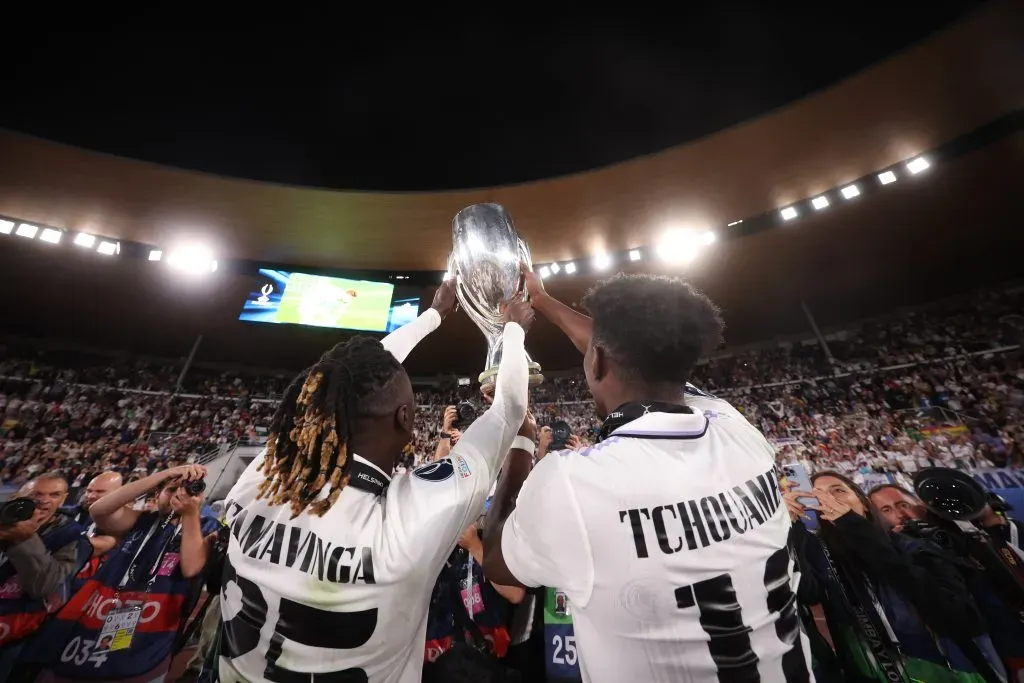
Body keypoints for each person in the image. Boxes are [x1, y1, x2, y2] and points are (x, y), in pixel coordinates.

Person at [484, 270, 812, 682]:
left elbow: (498, 561)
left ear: (598, 359)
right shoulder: (737, 429)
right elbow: (629, 351)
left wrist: (521, 436)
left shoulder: (575, 484)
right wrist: (543, 300)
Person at [218, 280, 533, 683]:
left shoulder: (267, 475)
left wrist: (432, 317)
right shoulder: (413, 516)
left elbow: (348, 378)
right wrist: (514, 329)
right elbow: (509, 410)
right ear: (405, 421)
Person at [35, 464, 219, 682]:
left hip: (148, 642)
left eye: (186, 491)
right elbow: (98, 511)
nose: (176, 496)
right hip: (91, 628)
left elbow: (191, 567)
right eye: (170, 489)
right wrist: (166, 474)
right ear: (157, 494)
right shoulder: (140, 520)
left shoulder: (205, 527)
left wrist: (190, 514)